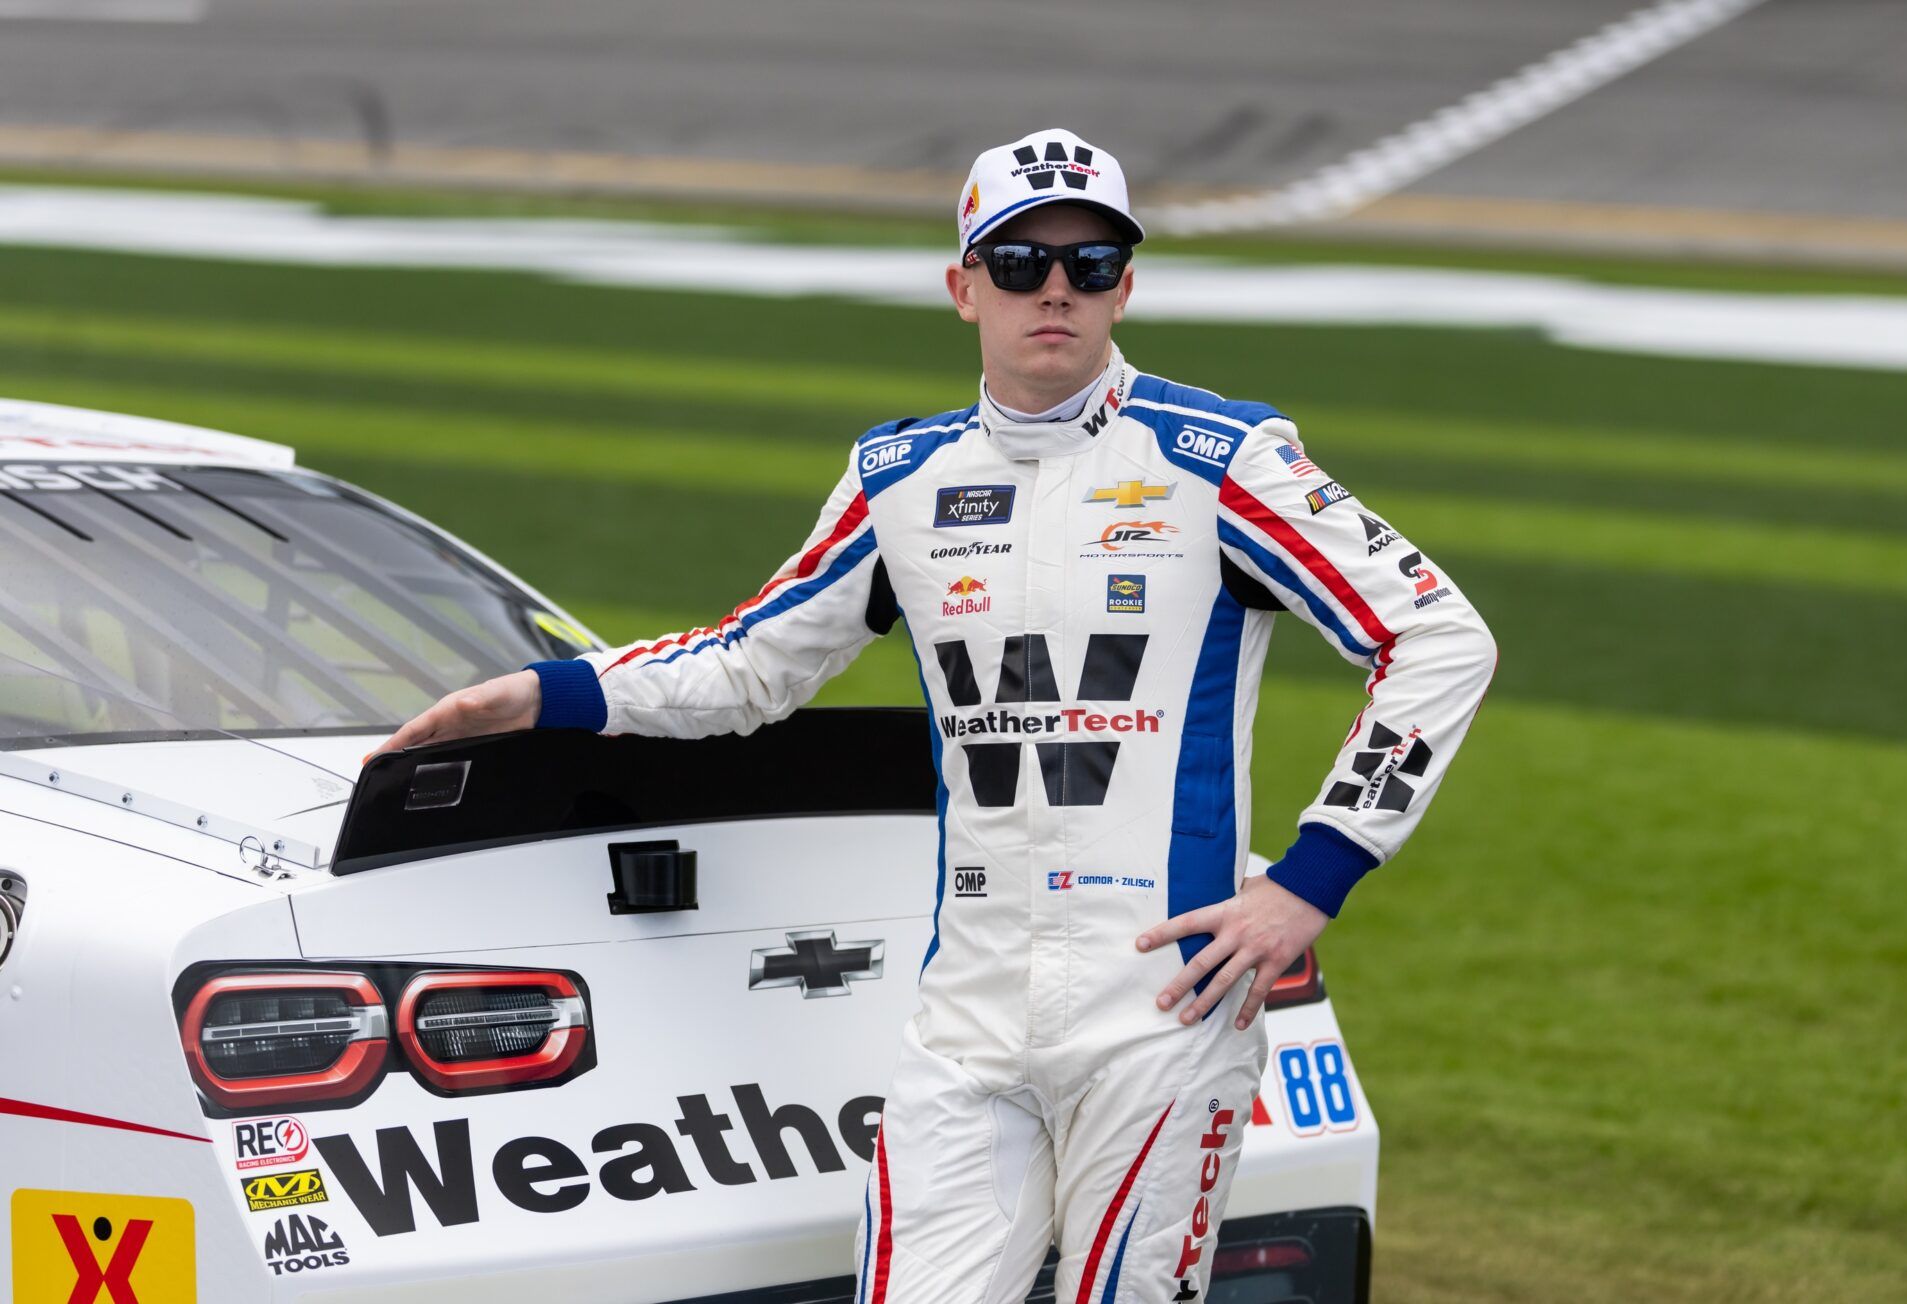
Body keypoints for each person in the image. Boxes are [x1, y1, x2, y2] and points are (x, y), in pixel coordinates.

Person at [371, 127, 1497, 1303]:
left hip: (1160, 1011)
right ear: (964, 287)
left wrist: (1312, 877)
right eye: (1018, 260)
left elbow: (1438, 636)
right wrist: (546, 693)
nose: (1055, 286)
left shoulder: (1222, 457)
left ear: (1128, 284)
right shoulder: (895, 474)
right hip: (968, 1012)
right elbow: (751, 663)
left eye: (1091, 259)